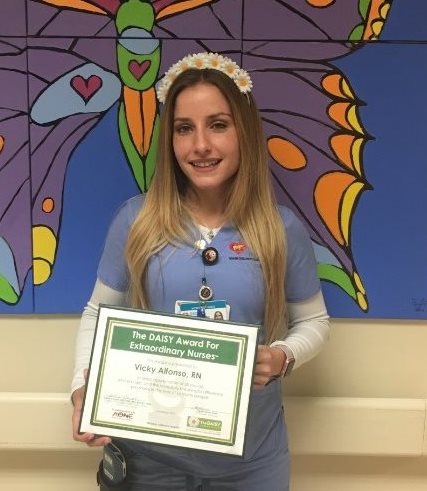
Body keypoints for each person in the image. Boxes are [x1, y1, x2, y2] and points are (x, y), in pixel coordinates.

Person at [71, 52, 330, 491]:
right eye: (184, 128)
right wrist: (82, 388)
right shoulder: (137, 219)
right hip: (149, 458)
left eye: (218, 125)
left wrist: (283, 356)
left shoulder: (279, 228)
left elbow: (314, 322)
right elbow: (98, 313)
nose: (200, 146)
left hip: (252, 460)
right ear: (170, 140)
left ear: (243, 132)